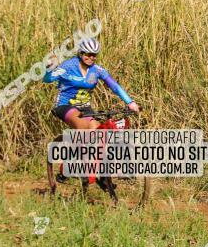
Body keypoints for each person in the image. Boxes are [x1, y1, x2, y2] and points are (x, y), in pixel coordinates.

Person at [44, 38, 139, 186]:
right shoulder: (68, 66)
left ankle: (96, 170)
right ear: (81, 53)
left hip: (85, 107)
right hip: (65, 105)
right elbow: (48, 79)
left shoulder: (97, 70)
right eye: (87, 54)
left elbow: (114, 86)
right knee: (82, 126)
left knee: (97, 131)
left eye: (94, 55)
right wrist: (49, 68)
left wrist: (130, 102)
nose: (91, 58)